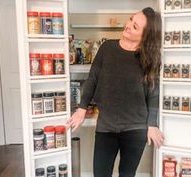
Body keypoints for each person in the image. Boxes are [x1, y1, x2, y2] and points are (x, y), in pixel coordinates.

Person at [67, 7, 164, 177]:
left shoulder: (149, 59)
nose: (128, 26)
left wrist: (152, 124)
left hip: (136, 129)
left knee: (127, 174)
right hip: (106, 127)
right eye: (131, 20)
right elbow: (93, 79)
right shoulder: (107, 48)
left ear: (145, 36)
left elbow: (153, 94)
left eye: (135, 26)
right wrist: (82, 108)